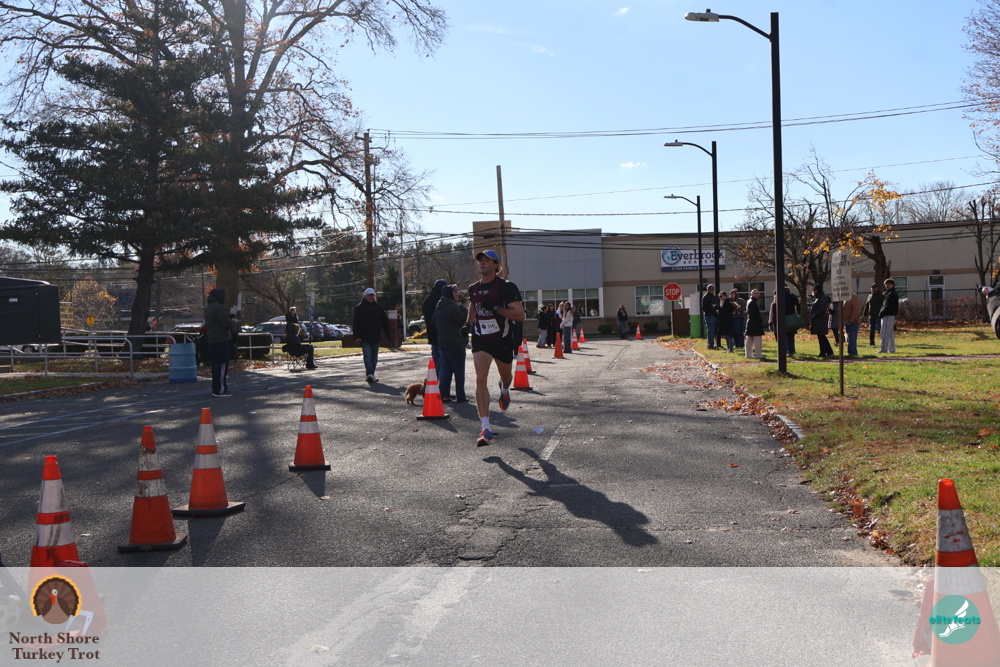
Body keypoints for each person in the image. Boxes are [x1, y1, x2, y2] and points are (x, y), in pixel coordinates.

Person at [467, 249, 526, 446]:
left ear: (496, 265)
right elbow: (474, 307)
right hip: (481, 338)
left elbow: (520, 315)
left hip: (502, 339)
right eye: (480, 260)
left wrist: (496, 308)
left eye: (487, 260)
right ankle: (486, 428)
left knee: (506, 376)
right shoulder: (473, 288)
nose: (482, 263)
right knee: (480, 377)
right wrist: (467, 325)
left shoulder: (506, 287)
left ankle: (505, 389)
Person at [434, 284, 468, 403]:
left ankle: (444, 395)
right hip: (456, 342)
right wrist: (463, 308)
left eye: (457, 291)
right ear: (449, 294)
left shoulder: (439, 306)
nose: (456, 294)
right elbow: (463, 319)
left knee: (446, 371)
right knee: (459, 371)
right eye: (454, 292)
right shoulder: (452, 307)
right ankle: (461, 396)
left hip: (443, 342)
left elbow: (433, 321)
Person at [204, 287, 239, 397]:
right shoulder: (218, 307)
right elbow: (226, 323)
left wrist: (230, 317)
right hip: (221, 338)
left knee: (216, 365)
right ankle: (220, 389)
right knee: (222, 365)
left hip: (212, 339)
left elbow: (219, 321)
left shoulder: (208, 307)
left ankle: (216, 387)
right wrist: (234, 321)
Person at [352, 287, 391, 383]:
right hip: (364, 337)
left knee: (374, 357)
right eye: (369, 295)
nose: (371, 297)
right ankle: (370, 373)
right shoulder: (359, 308)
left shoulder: (379, 308)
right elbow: (355, 324)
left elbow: (385, 322)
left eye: (372, 295)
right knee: (368, 355)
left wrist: (388, 334)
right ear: (365, 296)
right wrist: (356, 336)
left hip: (375, 337)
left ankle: (371, 374)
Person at [422, 279, 447, 370]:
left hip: (432, 334)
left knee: (435, 357)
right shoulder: (443, 300)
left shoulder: (427, 300)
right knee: (443, 359)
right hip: (442, 334)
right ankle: (441, 375)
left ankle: (436, 375)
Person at [810, 284, 834, 358]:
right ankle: (828, 352)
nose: (813, 292)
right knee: (821, 336)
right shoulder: (819, 297)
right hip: (818, 320)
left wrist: (815, 315)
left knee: (821, 336)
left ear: (817, 290)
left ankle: (824, 352)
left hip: (820, 320)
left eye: (814, 290)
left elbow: (822, 309)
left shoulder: (822, 298)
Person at [879, 278, 899, 353]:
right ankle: (892, 349)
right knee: (890, 333)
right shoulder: (889, 293)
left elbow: (889, 306)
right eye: (886, 284)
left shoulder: (892, 294)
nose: (887, 285)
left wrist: (882, 313)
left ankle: (883, 349)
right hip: (889, 314)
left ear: (892, 285)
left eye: (889, 284)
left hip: (888, 314)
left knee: (884, 332)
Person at [744, 288, 764, 359]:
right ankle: (758, 355)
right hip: (755, 323)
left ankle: (748, 355)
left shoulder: (749, 301)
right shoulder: (753, 302)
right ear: (751, 294)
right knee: (757, 339)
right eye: (754, 293)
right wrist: (760, 319)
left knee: (749, 339)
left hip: (750, 322)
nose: (756, 294)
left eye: (757, 293)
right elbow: (754, 313)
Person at [842, 291, 862, 357]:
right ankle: (851, 353)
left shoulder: (853, 297)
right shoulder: (844, 298)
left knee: (852, 338)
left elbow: (857, 310)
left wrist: (852, 319)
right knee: (849, 338)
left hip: (853, 322)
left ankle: (853, 353)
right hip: (847, 321)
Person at [701, 284, 720, 349]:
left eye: (712, 289)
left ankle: (716, 344)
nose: (711, 290)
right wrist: (710, 313)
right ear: (707, 290)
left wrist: (717, 311)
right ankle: (710, 345)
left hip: (715, 316)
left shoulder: (715, 297)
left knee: (715, 331)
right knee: (710, 331)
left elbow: (717, 306)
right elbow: (704, 307)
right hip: (709, 316)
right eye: (710, 289)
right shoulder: (705, 297)